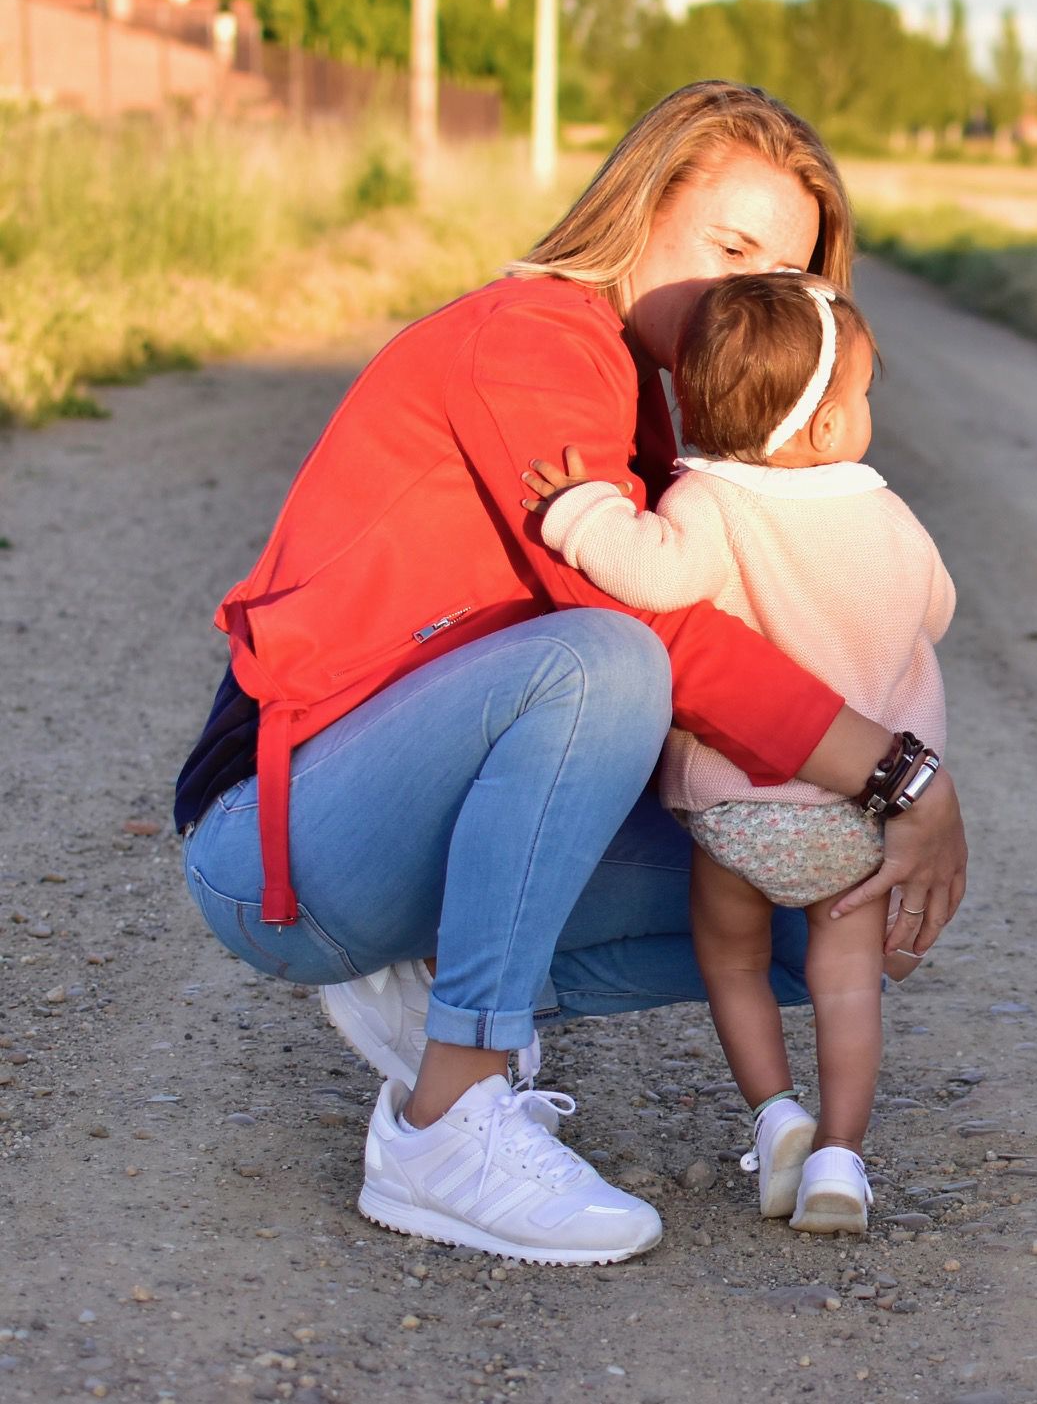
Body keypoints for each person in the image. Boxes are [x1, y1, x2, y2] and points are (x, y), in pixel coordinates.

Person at [172, 82, 968, 1266]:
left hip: (396, 831)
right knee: (606, 661)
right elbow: (657, 642)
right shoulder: (533, 340)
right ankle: (445, 1118)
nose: (737, 296)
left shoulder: (655, 400)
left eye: (778, 274)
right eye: (726, 246)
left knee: (816, 923)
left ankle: (434, 973)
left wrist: (848, 802)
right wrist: (899, 774)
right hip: (280, 835)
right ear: (638, 205)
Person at [523, 269, 954, 1234]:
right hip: (861, 812)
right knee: (846, 985)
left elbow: (651, 571)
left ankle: (775, 1115)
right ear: (830, 427)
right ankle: (842, 1155)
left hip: (740, 809)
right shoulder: (884, 513)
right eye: (863, 395)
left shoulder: (708, 502)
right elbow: (937, 607)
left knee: (733, 962)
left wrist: (579, 509)